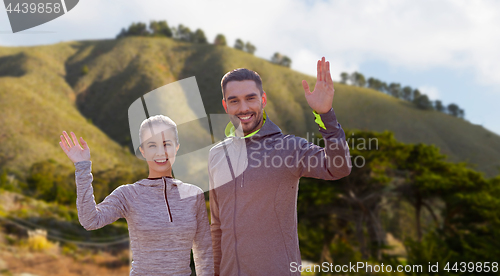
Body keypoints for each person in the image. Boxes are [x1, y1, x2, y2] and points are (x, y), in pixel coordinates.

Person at [208, 57, 352, 275]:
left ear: (263, 99)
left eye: (250, 98)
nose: (243, 107)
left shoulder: (289, 147)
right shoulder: (216, 155)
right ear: (225, 105)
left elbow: (339, 168)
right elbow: (217, 227)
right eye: (234, 100)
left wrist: (326, 116)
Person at [59, 115, 214, 276]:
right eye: (152, 145)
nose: (160, 152)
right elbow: (90, 220)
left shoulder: (194, 195)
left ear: (176, 147)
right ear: (142, 151)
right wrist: (82, 167)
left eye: (166, 144)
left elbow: (204, 250)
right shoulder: (128, 194)